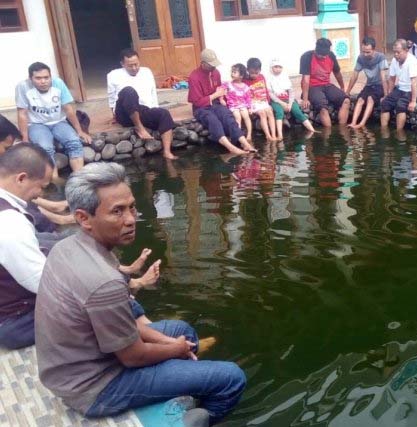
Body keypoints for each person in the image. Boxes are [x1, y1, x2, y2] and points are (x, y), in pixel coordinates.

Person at [35, 162, 246, 425]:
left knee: (182, 330)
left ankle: (183, 384)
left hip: (72, 369)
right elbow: (132, 356)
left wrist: (173, 344)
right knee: (231, 378)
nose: (131, 219)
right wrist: (175, 349)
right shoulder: (103, 283)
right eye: (117, 212)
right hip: (96, 388)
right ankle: (185, 420)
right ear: (83, 218)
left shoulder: (68, 246)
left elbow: (127, 325)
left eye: (131, 207)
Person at [0, 144, 53, 349]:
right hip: (13, 321)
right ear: (21, 178)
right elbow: (42, 283)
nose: (39, 194)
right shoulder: (10, 223)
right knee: (98, 307)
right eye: (41, 186)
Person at [15, 62, 91, 179]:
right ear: (30, 78)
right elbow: (22, 113)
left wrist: (79, 131)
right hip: (36, 124)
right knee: (45, 148)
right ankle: (55, 180)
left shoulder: (58, 83)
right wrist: (25, 138)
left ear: (50, 76)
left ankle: (79, 179)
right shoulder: (23, 87)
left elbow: (68, 109)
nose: (43, 81)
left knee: (74, 142)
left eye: (46, 77)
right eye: (38, 78)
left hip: (59, 121)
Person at [107, 48, 178, 160]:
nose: (134, 68)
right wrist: (113, 115)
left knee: (163, 113)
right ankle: (139, 128)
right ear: (122, 64)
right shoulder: (113, 75)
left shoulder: (146, 72)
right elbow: (111, 97)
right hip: (124, 112)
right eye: (130, 65)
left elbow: (152, 94)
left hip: (142, 110)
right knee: (129, 91)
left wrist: (155, 112)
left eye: (136, 64)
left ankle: (167, 152)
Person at [187, 49, 256, 155]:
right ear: (203, 63)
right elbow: (196, 101)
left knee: (227, 115)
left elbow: (221, 90)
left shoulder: (216, 72)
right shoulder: (194, 77)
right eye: (211, 65)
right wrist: (215, 95)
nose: (214, 67)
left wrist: (222, 99)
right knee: (212, 120)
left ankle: (244, 142)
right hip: (201, 108)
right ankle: (230, 147)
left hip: (215, 104)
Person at [300, 38, 351, 127]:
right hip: (313, 87)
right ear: (316, 50)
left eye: (325, 55)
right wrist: (305, 99)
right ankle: (329, 134)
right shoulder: (306, 57)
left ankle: (342, 130)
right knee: (323, 108)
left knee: (346, 100)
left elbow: (337, 73)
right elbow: (305, 80)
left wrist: (342, 87)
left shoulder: (330, 56)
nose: (324, 57)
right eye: (321, 55)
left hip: (327, 85)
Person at [380, 39, 417, 131]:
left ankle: (399, 132)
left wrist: (413, 101)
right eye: (394, 52)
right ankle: (384, 131)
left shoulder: (411, 61)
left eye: (398, 52)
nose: (396, 54)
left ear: (406, 50)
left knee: (400, 104)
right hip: (402, 89)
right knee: (385, 103)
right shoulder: (394, 60)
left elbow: (414, 82)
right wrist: (388, 94)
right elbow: (392, 79)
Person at [266, 58, 316, 138]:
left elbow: (291, 92)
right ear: (271, 68)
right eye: (275, 67)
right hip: (276, 101)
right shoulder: (268, 78)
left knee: (297, 111)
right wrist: (282, 103)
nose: (278, 69)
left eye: (280, 67)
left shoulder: (285, 77)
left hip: (288, 100)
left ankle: (312, 129)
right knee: (279, 112)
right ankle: (280, 135)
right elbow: (271, 94)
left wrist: (289, 103)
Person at [346, 36, 389, 129]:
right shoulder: (361, 58)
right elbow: (354, 75)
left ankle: (362, 123)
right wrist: (347, 91)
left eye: (368, 52)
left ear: (374, 49)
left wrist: (386, 95)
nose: (365, 54)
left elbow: (383, 77)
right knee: (360, 99)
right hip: (369, 85)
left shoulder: (380, 57)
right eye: (363, 51)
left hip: (380, 85)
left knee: (370, 99)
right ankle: (353, 122)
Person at [243, 58, 279, 141]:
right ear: (247, 70)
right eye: (252, 73)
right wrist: (249, 107)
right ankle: (268, 135)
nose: (254, 75)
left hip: (263, 101)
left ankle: (273, 135)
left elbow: (266, 89)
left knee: (270, 112)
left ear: (260, 70)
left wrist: (268, 101)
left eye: (256, 73)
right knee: (262, 113)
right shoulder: (245, 81)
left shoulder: (262, 77)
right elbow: (245, 95)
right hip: (254, 103)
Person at [221, 63, 254, 142]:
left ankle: (249, 134)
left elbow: (248, 98)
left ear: (241, 76)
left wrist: (250, 107)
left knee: (246, 116)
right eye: (232, 72)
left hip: (243, 105)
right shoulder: (228, 84)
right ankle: (239, 134)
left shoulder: (245, 86)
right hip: (233, 105)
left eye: (235, 72)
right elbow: (220, 90)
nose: (232, 73)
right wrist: (221, 99)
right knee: (237, 117)